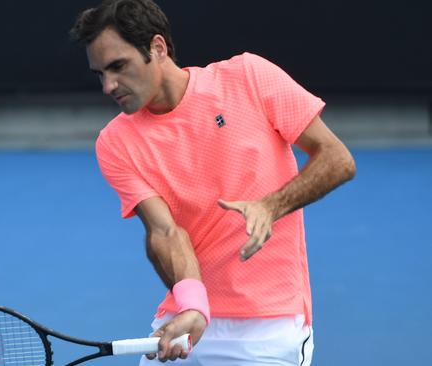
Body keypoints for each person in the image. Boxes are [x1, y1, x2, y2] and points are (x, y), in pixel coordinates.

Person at [70, 1, 356, 365]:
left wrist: (271, 206)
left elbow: (337, 159)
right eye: (100, 74)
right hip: (190, 315)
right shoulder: (115, 141)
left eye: (118, 66)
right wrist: (193, 305)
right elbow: (165, 232)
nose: (109, 85)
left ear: (157, 48)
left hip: (268, 329)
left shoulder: (249, 77)